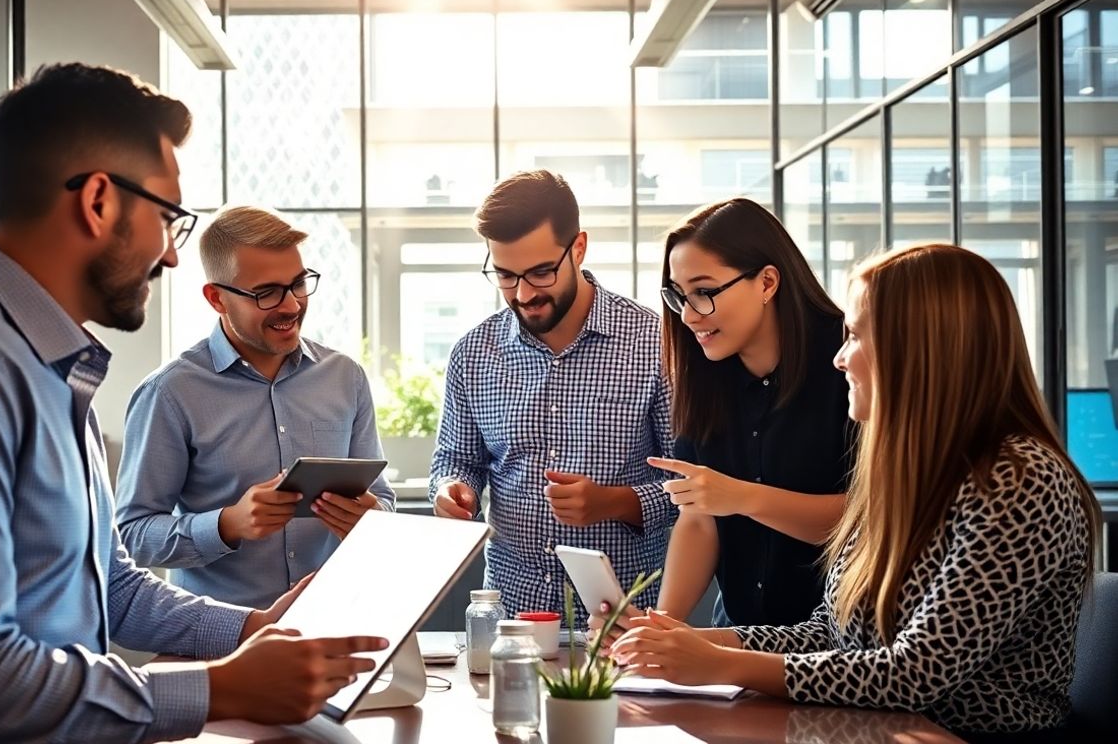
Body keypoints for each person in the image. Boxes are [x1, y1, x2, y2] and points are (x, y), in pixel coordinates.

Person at [0, 63, 385, 744]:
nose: (171, 257)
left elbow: (110, 588)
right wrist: (220, 688)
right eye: (167, 219)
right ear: (98, 202)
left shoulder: (48, 370)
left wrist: (253, 630)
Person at [611, 244, 1101, 741]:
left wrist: (721, 664)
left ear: (921, 349)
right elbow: (830, 634)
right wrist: (691, 641)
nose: (839, 359)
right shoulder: (908, 475)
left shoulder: (1021, 480)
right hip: (877, 730)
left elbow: (915, 674)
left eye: (856, 336)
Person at [592, 198, 852, 637]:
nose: (689, 315)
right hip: (735, 636)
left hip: (836, 645)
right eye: (679, 296)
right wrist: (662, 627)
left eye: (705, 292)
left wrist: (743, 497)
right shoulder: (702, 376)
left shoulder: (849, 365)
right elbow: (698, 519)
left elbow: (868, 521)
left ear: (767, 282)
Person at [115, 205, 394, 610]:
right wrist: (227, 524)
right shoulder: (170, 393)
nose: (292, 305)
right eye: (267, 293)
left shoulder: (345, 378)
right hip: (223, 635)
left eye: (298, 284)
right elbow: (131, 536)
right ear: (217, 298)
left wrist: (372, 515)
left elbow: (381, 499)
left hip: (335, 620)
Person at [429, 169, 676, 620]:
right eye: (505, 275)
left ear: (578, 248)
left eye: (541, 272)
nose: (523, 294)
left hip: (621, 623)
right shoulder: (473, 353)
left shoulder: (655, 344)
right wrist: (452, 488)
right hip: (508, 621)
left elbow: (690, 487)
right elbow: (456, 459)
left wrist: (614, 502)